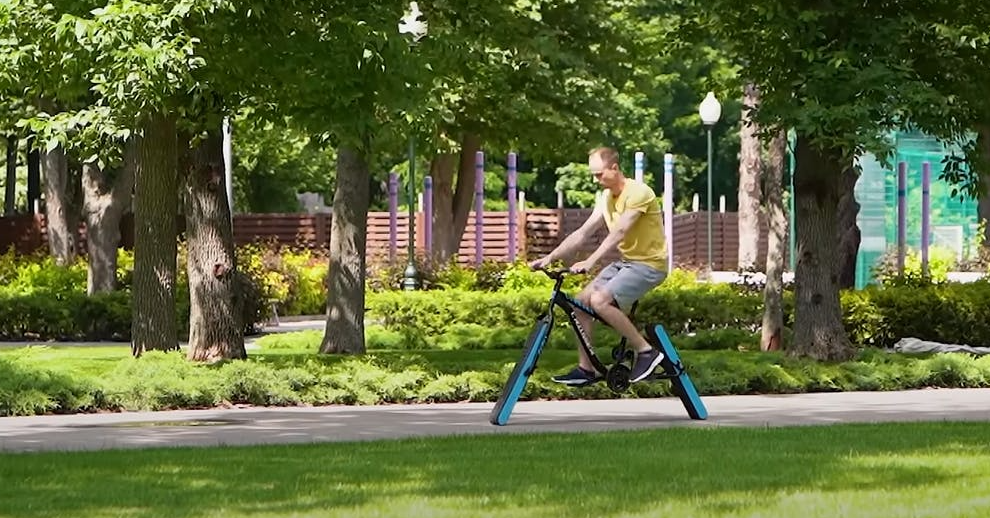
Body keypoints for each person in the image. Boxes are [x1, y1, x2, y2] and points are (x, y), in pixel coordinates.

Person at [529, 146, 668, 386]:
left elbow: (620, 231)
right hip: (627, 264)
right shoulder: (605, 198)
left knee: (599, 300)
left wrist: (591, 261)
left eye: (599, 174)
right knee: (581, 303)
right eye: (593, 175)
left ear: (614, 168)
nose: (596, 180)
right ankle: (587, 369)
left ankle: (646, 352)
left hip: (650, 266)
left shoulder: (639, 192)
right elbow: (582, 233)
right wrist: (549, 257)